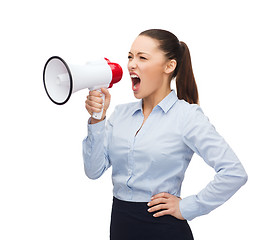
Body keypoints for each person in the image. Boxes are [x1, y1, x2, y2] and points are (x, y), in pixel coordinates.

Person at [82, 29, 248, 240]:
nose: (132, 64)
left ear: (169, 66)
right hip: (121, 227)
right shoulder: (120, 114)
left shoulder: (187, 116)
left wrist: (187, 207)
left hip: (164, 230)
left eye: (142, 57)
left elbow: (234, 172)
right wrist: (97, 119)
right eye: (130, 57)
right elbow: (93, 170)